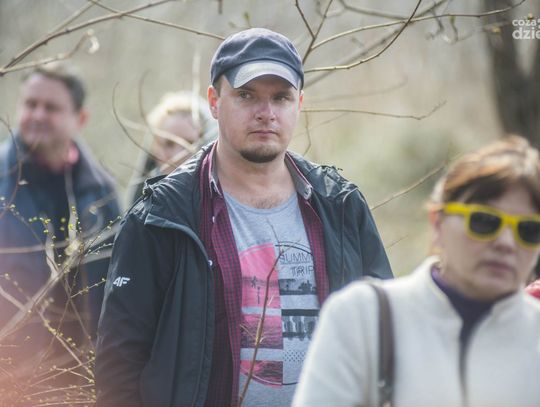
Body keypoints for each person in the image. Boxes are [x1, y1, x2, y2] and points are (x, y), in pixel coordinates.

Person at [95, 28, 392, 407]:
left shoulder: (340, 206)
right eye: (247, 95)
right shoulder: (162, 215)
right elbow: (119, 363)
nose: (266, 113)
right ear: (214, 102)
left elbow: (384, 331)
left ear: (299, 104)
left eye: (281, 97)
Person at [293, 136, 540, 407]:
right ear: (438, 222)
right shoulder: (363, 317)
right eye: (484, 221)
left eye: (529, 230)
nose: (506, 243)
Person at [0, 63, 120, 401]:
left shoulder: (102, 193)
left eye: (51, 107)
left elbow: (117, 288)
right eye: (30, 104)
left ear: (80, 119)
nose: (38, 115)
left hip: (78, 379)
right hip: (9, 377)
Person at [127, 91, 218, 204]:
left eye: (189, 144)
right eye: (169, 144)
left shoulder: (217, 206)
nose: (178, 155)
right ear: (155, 148)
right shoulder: (140, 210)